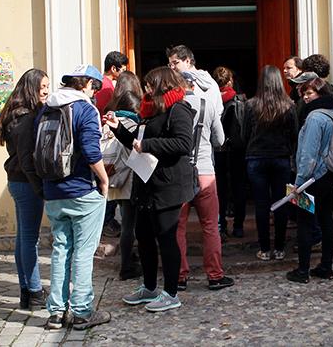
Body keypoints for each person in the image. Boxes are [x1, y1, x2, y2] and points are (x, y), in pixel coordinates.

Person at [105, 67, 194, 313]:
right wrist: (118, 129)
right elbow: (136, 141)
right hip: (146, 183)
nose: (145, 89)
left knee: (166, 237)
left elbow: (184, 143)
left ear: (162, 85)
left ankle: (171, 292)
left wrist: (147, 144)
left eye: (149, 85)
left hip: (168, 184)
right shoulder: (150, 110)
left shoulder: (179, 109)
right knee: (143, 235)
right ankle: (149, 286)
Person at [37, 65, 111, 330]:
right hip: (82, 190)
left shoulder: (47, 108)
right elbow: (92, 152)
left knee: (60, 249)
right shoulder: (85, 109)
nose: (95, 93)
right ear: (87, 84)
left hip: (53, 191)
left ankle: (56, 312)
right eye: (96, 87)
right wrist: (104, 180)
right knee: (83, 251)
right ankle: (81, 311)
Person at [0, 68, 49, 310]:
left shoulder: (16, 114)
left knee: (23, 239)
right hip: (26, 184)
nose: (47, 91)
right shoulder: (25, 118)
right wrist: (39, 188)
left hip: (17, 182)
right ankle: (35, 291)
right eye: (43, 87)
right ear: (31, 89)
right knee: (29, 239)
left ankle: (26, 291)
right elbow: (26, 159)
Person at [174, 71, 235, 291]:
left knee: (178, 226)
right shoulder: (207, 105)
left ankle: (179, 276)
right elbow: (219, 140)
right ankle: (215, 275)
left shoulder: (172, 107)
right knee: (210, 226)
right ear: (193, 85)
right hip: (205, 171)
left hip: (180, 174)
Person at [286, 77, 333, 284]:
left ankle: (302, 270)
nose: (306, 98)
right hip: (331, 176)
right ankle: (326, 267)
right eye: (304, 94)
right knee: (326, 219)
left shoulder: (314, 118)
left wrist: (298, 183)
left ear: (320, 93)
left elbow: (308, 154)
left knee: (305, 223)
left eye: (309, 93)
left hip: (313, 179)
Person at [242, 65, 299, 261]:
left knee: (261, 204)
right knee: (281, 202)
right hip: (281, 158)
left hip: (256, 158)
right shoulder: (289, 105)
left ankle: (265, 248)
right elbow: (294, 134)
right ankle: (280, 248)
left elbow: (245, 134)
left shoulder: (251, 105)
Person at [102, 71, 145, 280]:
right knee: (130, 224)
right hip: (130, 177)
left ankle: (129, 260)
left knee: (127, 222)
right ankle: (127, 266)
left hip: (115, 176)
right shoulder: (133, 121)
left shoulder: (109, 117)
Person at [95, 51, 129, 238]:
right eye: (122, 68)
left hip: (102, 136)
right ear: (114, 68)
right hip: (106, 137)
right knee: (111, 178)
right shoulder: (107, 88)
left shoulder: (102, 84)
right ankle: (107, 221)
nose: (123, 72)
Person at [212, 66, 247, 239]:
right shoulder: (240, 100)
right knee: (239, 187)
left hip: (218, 150)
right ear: (230, 81)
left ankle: (221, 226)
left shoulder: (212, 100)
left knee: (220, 189)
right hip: (237, 150)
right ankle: (239, 226)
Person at [167, 44, 223, 132]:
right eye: (170, 65)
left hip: (186, 137)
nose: (172, 68)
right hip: (207, 138)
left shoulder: (184, 84)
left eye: (175, 63)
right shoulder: (212, 83)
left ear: (187, 61)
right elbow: (219, 111)